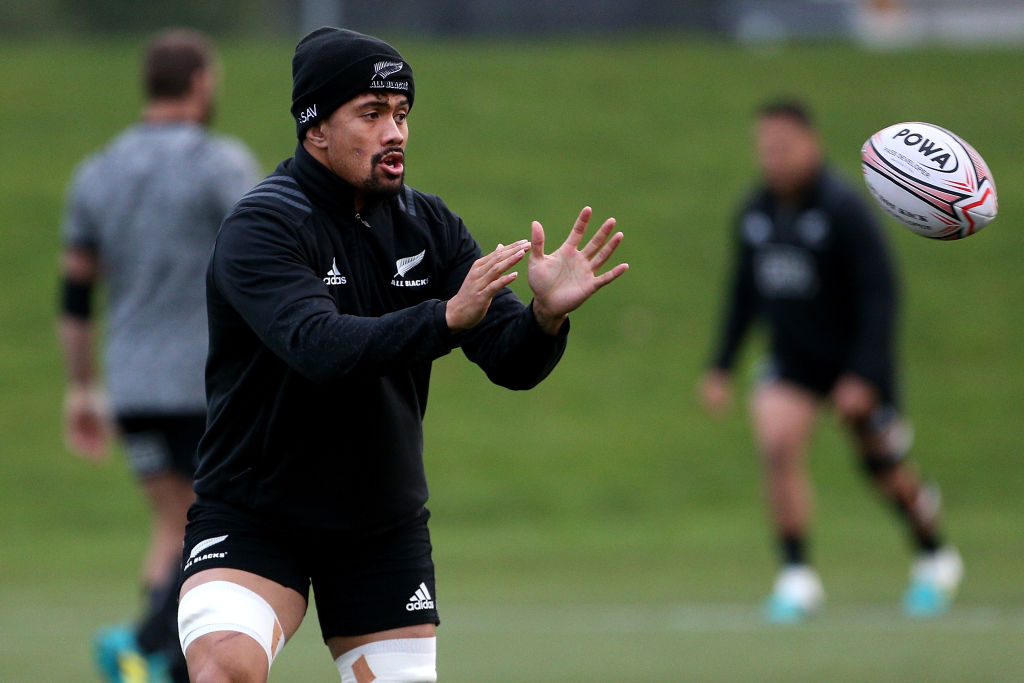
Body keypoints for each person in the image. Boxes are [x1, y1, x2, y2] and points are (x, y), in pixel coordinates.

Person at [175, 26, 627, 683]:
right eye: (372, 113)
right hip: (254, 512)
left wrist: (545, 316)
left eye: (402, 113)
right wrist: (444, 317)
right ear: (316, 127)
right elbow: (320, 347)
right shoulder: (263, 226)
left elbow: (510, 359)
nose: (396, 132)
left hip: (377, 524)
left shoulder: (429, 225)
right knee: (225, 670)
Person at [699, 98, 962, 623]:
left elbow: (880, 293)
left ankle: (934, 554)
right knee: (776, 445)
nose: (772, 158)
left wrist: (864, 374)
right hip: (793, 361)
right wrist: (721, 365)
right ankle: (796, 575)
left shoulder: (845, 210)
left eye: (783, 147)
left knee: (883, 469)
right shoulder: (755, 212)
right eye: (764, 148)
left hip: (854, 363)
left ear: (810, 145)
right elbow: (743, 293)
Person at [58, 29, 260, 682]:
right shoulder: (219, 163)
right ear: (201, 84)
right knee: (216, 525)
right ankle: (139, 640)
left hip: (134, 382)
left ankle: (162, 666)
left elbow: (75, 289)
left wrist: (82, 386)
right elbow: (267, 255)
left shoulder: (98, 169)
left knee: (174, 525)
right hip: (205, 382)